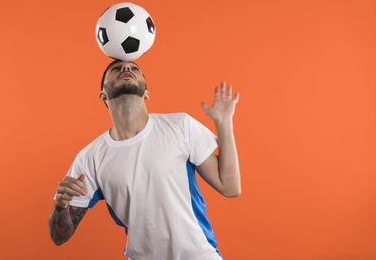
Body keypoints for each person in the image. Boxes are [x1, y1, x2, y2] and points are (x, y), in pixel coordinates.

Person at [48, 60, 241, 260]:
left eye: (134, 69)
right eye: (116, 69)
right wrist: (60, 206)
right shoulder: (89, 158)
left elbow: (230, 187)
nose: (126, 69)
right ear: (103, 96)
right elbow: (59, 237)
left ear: (147, 93)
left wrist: (224, 123)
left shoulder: (180, 126)